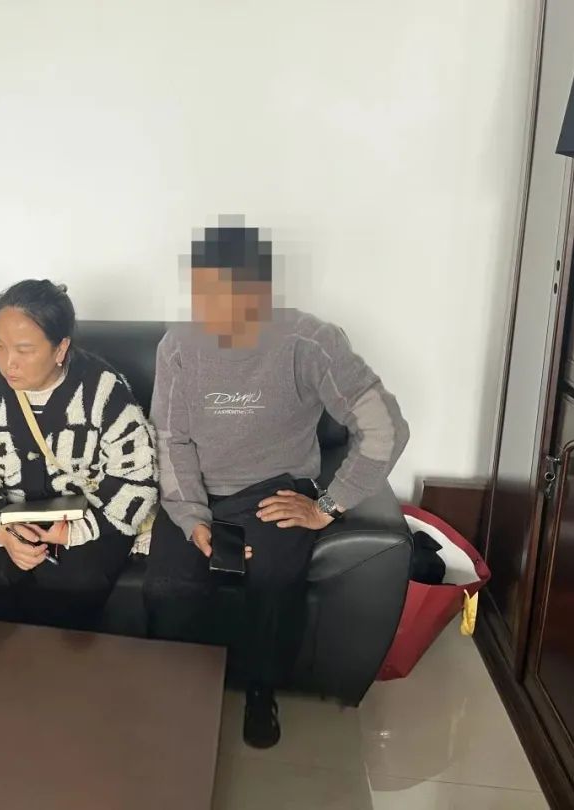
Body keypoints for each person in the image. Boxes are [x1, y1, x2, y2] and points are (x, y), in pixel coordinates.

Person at [143, 225, 409, 749]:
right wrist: (192, 518)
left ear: (260, 294)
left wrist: (328, 506)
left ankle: (261, 689)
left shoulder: (311, 343)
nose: (210, 314)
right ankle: (180, 691)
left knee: (273, 580)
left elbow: (385, 427)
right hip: (198, 489)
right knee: (168, 588)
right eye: (201, 296)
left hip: (275, 487)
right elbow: (171, 440)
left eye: (226, 298)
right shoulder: (178, 346)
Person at [0, 279, 158, 629]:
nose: (8, 363)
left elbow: (136, 479)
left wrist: (75, 532)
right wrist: (0, 529)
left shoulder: (103, 390)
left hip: (86, 518)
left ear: (60, 348)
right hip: (7, 512)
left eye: (24, 350)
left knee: (72, 584)